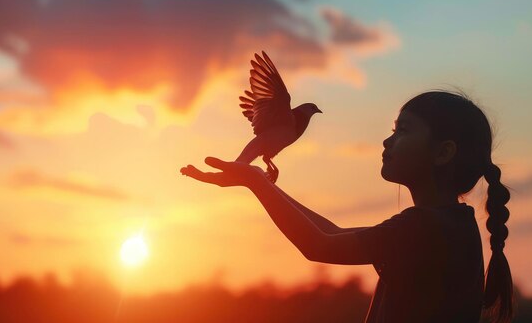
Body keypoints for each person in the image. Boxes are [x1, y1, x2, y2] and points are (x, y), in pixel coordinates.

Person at [180, 89, 514, 323]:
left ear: (444, 153)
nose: (387, 140)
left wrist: (255, 181)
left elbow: (319, 244)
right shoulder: (449, 224)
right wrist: (259, 182)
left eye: (404, 130)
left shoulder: (424, 228)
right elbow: (332, 232)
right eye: (393, 130)